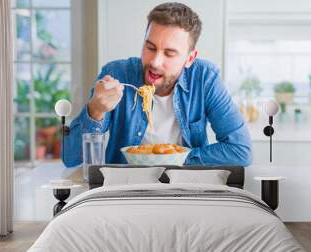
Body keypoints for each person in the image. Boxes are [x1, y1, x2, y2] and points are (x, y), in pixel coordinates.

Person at [62, 2, 252, 167]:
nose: (155, 62)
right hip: (125, 189)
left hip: (185, 186)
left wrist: (174, 159)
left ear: (190, 58)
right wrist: (95, 110)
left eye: (169, 53)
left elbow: (240, 150)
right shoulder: (117, 74)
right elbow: (70, 158)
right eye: (150, 47)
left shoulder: (205, 78)